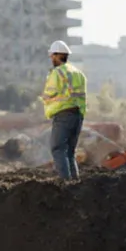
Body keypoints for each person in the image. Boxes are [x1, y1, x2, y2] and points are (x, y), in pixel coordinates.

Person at [41, 40, 87, 180]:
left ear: (56, 55)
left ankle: (66, 184)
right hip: (78, 115)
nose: (51, 59)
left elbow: (49, 94)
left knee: (58, 149)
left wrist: (45, 99)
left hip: (63, 115)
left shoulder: (57, 73)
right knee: (70, 153)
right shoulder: (78, 73)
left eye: (52, 56)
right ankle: (75, 183)